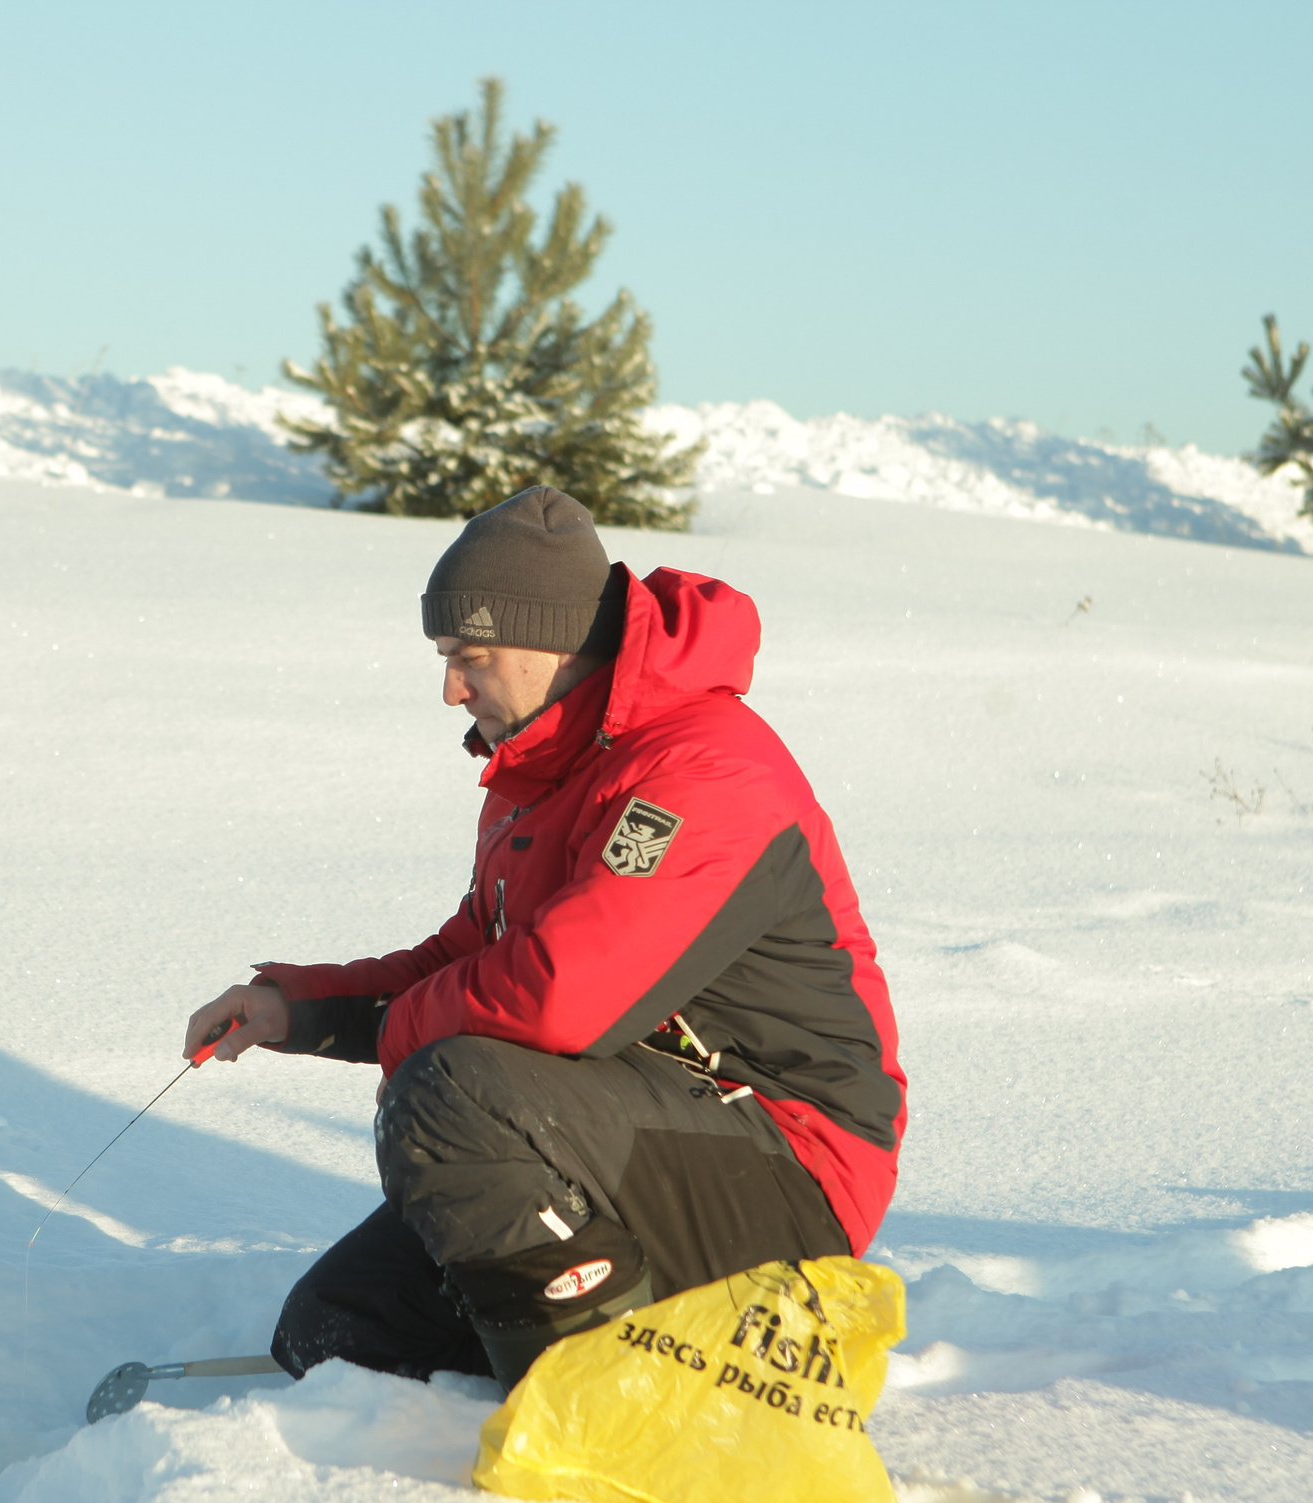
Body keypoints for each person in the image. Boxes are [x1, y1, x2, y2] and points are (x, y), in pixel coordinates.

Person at [183, 485, 905, 1388]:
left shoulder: (704, 769)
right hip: (634, 1127)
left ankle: (613, 1402)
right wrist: (299, 1009)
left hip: (788, 1164)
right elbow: (473, 957)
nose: (450, 687)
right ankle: (537, 1358)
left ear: (551, 642)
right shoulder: (548, 763)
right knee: (338, 1327)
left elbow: (561, 993)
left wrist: (407, 1039)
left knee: (450, 1097)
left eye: (468, 656)